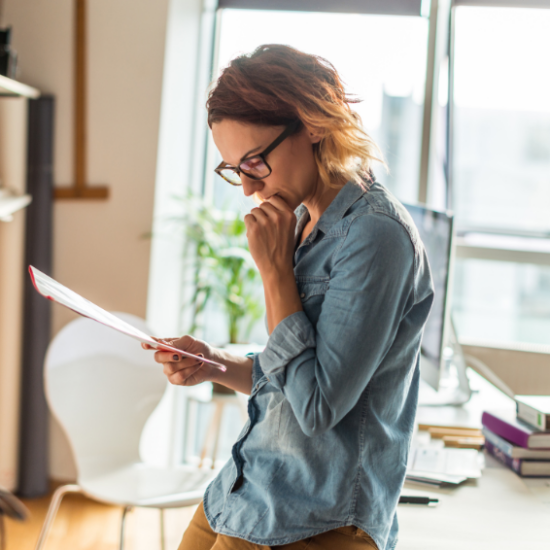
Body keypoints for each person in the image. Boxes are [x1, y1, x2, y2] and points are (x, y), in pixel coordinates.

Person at [144, 44, 434, 550]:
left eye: (255, 162)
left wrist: (275, 271)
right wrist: (213, 363)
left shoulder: (374, 237)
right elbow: (291, 377)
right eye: (234, 169)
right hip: (246, 490)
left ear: (313, 123)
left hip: (312, 517)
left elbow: (317, 407)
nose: (247, 188)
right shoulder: (304, 219)